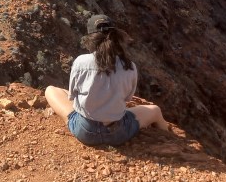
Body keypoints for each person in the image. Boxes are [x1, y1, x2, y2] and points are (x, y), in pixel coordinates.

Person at [44, 14, 169, 146]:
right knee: (155, 110)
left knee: (50, 90)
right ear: (116, 37)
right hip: (118, 133)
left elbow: (72, 95)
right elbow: (127, 98)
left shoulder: (81, 62)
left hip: (85, 132)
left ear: (90, 39)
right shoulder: (129, 66)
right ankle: (170, 140)